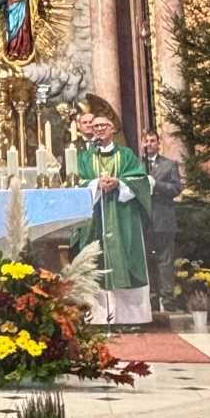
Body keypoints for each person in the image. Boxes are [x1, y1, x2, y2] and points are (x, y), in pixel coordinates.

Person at [72, 101, 152, 327]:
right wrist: (97, 184)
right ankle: (96, 317)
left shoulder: (126, 155)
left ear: (113, 129)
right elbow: (76, 182)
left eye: (103, 126)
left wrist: (119, 183)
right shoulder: (86, 157)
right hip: (95, 217)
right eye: (95, 127)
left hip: (123, 216)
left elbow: (141, 181)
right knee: (94, 263)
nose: (98, 130)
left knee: (125, 262)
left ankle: (129, 318)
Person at [140, 130, 182, 310]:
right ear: (142, 143)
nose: (149, 144)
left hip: (163, 218)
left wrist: (156, 185)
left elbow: (176, 188)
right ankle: (151, 298)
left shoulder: (169, 164)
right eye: (146, 141)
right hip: (143, 219)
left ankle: (168, 299)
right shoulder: (136, 164)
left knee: (165, 260)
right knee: (146, 260)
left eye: (153, 141)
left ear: (158, 143)